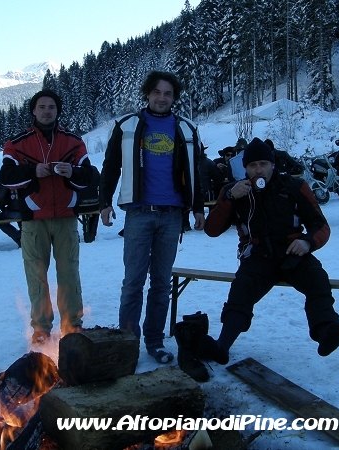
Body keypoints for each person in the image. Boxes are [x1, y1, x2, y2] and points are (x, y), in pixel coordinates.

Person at [174, 138, 339, 381]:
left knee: (317, 280)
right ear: (244, 168)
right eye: (253, 165)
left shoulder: (294, 186)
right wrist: (230, 198)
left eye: (263, 164)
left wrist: (308, 242)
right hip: (257, 256)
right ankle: (222, 345)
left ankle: (326, 329)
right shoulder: (234, 190)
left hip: (293, 253)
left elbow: (321, 224)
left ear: (273, 165)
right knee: (241, 290)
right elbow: (212, 230)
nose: (258, 170)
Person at [99, 70, 205, 364]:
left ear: (174, 98)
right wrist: (104, 202)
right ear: (147, 94)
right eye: (157, 92)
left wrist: (197, 208)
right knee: (133, 281)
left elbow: (197, 171)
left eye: (168, 94)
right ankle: (127, 343)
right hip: (139, 214)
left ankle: (154, 341)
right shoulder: (128, 126)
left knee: (161, 283)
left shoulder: (186, 129)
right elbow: (110, 166)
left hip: (172, 216)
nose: (162, 98)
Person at [0, 88, 92, 344]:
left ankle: (72, 326)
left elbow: (90, 177)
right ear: (34, 111)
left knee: (69, 273)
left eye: (51, 107)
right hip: (33, 220)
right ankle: (41, 329)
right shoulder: (17, 143)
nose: (47, 111)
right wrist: (32, 170)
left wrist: (72, 171)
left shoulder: (73, 141)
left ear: (57, 111)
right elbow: (6, 177)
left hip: (66, 218)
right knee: (36, 276)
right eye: (42, 107)